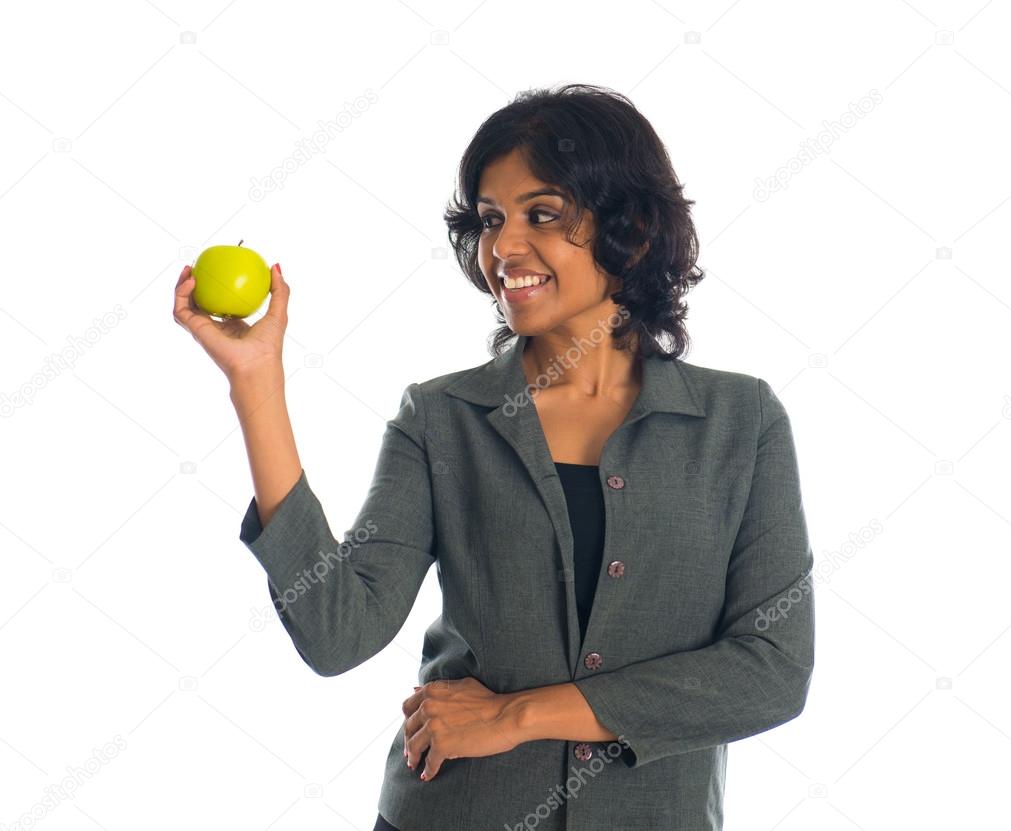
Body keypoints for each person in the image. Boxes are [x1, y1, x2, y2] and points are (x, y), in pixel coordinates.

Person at [173, 83, 815, 831]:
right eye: (489, 220)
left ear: (630, 231)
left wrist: (516, 715)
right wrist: (257, 384)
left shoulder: (742, 422)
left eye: (541, 214)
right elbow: (337, 629)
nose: (503, 248)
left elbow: (771, 671)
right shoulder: (442, 417)